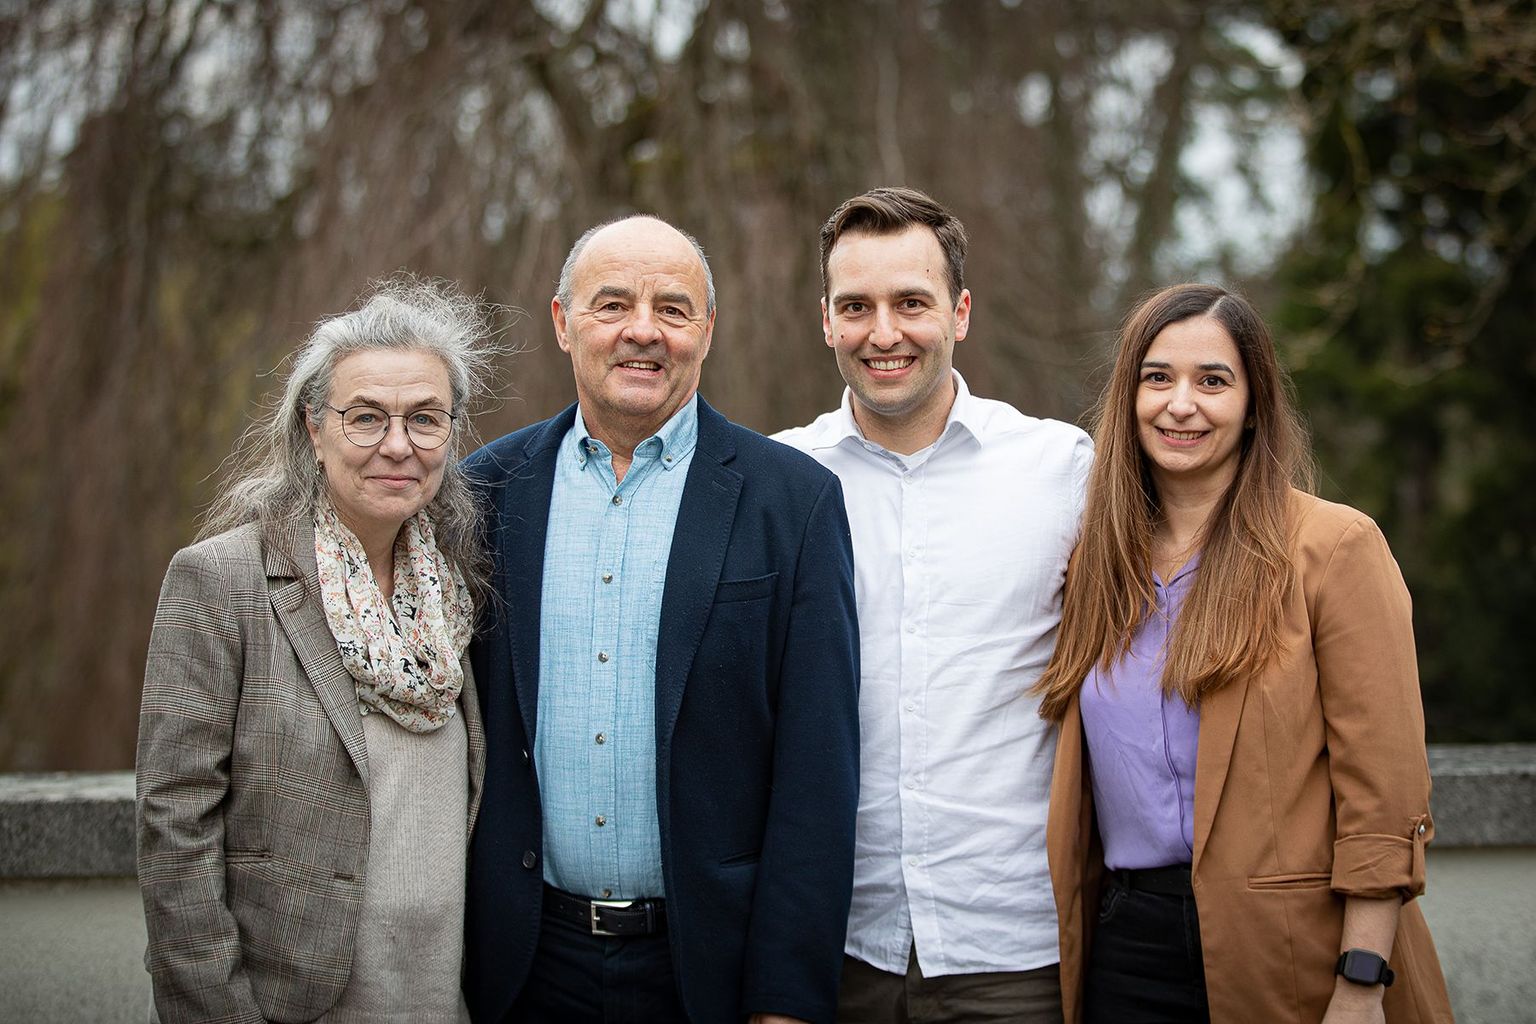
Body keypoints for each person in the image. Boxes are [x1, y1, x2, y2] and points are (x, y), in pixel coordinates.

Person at [462, 215, 861, 1024]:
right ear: (562, 322)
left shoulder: (793, 501)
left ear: (707, 331)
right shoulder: (484, 493)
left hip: (708, 967)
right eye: (611, 304)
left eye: (673, 310)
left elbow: (818, 774)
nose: (642, 331)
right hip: (525, 965)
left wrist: (784, 1000)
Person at [1035, 283, 1453, 1023]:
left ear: (1255, 403)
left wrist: (1361, 981)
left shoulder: (1332, 549)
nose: (1180, 404)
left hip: (1295, 949)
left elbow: (1383, 797)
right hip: (1125, 947)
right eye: (1157, 378)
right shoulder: (1095, 567)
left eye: (1213, 381)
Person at [136, 275, 496, 1024]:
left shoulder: (460, 588)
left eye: (425, 419)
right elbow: (174, 827)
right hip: (292, 1005)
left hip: (444, 999)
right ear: (313, 427)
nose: (398, 445)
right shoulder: (223, 580)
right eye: (365, 417)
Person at [775, 186, 1092, 1022]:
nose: (884, 333)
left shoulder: (1062, 472)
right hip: (834, 946)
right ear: (825, 320)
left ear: (960, 314)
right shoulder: (778, 481)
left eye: (911, 302)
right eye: (857, 307)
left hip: (1013, 947)